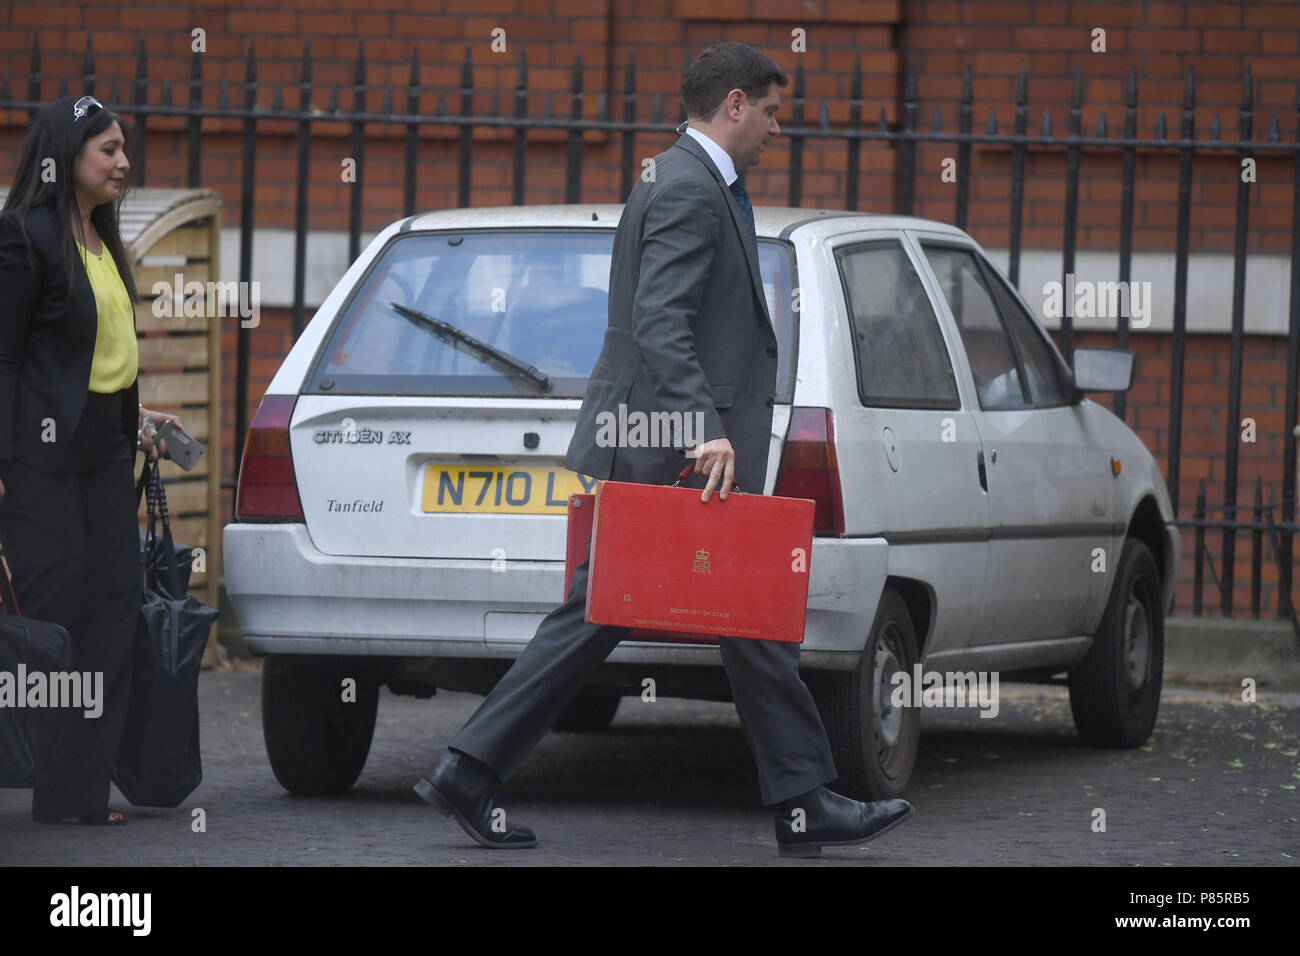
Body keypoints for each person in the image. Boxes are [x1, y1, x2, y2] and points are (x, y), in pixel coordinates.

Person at [415, 42, 915, 858]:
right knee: (606, 615)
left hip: (669, 444)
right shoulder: (687, 188)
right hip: (677, 449)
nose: (778, 129)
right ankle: (469, 769)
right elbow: (660, 321)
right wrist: (702, 426)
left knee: (739, 617)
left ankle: (800, 803)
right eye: (773, 110)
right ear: (736, 107)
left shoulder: (681, 177)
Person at [0, 94, 181, 825]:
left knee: (111, 607)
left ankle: (78, 791)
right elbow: (6, 358)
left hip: (105, 455)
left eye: (124, 149)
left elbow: (104, 354)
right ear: (63, 158)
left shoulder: (106, 241)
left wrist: (135, 415)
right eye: (108, 150)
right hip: (38, 464)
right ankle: (44, 778)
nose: (123, 162)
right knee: (55, 612)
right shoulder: (24, 239)